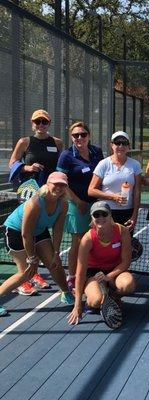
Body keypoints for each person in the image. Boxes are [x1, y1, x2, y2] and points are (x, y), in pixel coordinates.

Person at [0, 172, 73, 316]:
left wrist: (57, 253)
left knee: (54, 262)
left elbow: (58, 230)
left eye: (62, 185)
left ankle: (66, 292)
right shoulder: (35, 203)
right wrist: (32, 258)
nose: (58, 187)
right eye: (55, 184)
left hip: (39, 230)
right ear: (47, 183)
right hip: (16, 231)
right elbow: (26, 234)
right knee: (27, 272)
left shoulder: (63, 204)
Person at [8, 109, 63, 293]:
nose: (41, 125)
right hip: (29, 193)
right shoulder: (25, 142)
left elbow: (60, 166)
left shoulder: (57, 142)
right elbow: (13, 163)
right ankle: (26, 274)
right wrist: (28, 167)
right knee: (28, 230)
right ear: (32, 123)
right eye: (37, 122)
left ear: (49, 123)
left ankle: (34, 272)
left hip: (50, 193)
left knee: (41, 230)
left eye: (44, 122)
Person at [67, 202, 136, 325]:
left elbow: (126, 262)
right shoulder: (87, 239)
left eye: (104, 214)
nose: (100, 217)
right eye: (96, 215)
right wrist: (77, 305)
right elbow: (81, 272)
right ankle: (89, 299)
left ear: (110, 215)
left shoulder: (122, 231)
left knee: (128, 285)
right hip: (93, 273)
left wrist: (108, 277)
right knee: (95, 301)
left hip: (115, 270)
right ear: (92, 218)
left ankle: (113, 297)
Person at [57, 122, 104, 291]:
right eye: (75, 135)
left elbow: (101, 174)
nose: (79, 138)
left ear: (88, 136)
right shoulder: (66, 155)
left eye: (83, 134)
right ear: (71, 137)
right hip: (76, 204)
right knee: (78, 242)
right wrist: (78, 202)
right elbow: (62, 183)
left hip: (95, 203)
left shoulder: (97, 152)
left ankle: (89, 272)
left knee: (94, 239)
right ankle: (72, 276)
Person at [88, 131, 142, 232]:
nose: (121, 146)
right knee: (106, 244)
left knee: (125, 244)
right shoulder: (103, 164)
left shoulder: (135, 165)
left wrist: (134, 216)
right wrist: (114, 197)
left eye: (124, 143)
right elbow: (91, 190)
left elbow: (137, 191)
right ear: (112, 145)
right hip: (105, 212)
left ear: (128, 146)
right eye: (117, 142)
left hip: (127, 212)